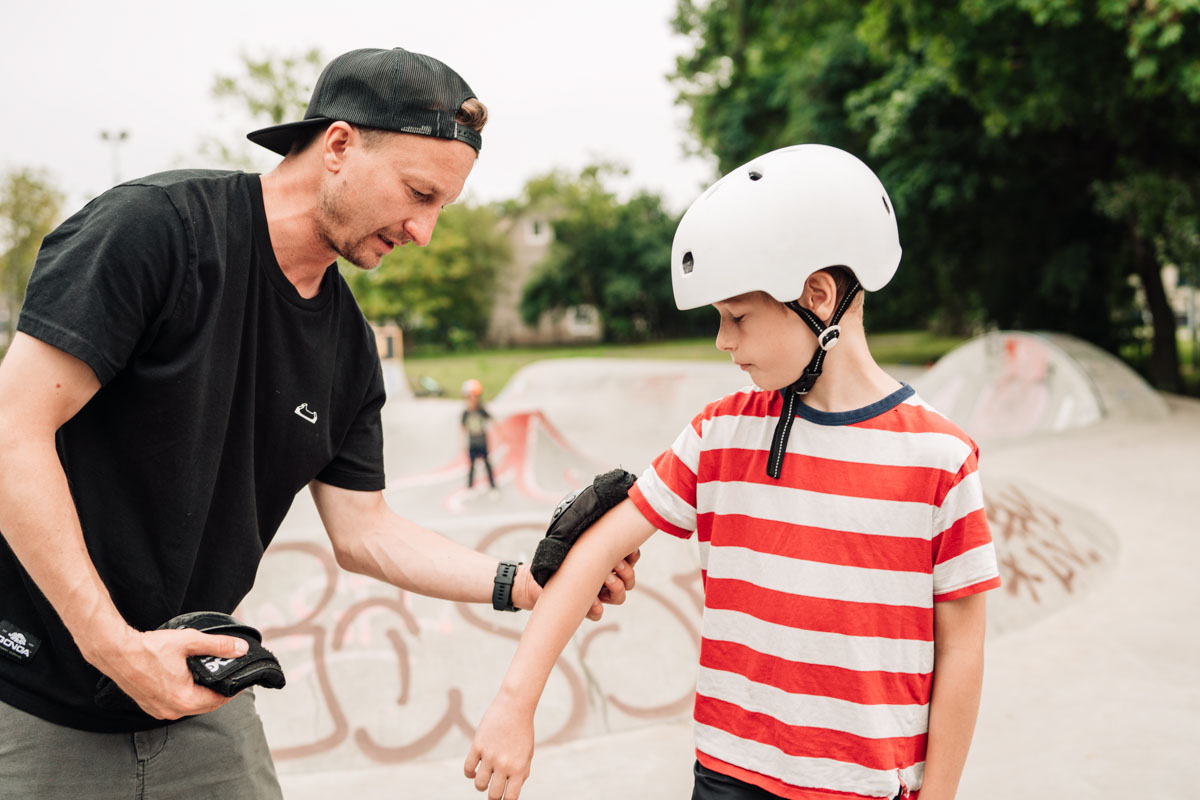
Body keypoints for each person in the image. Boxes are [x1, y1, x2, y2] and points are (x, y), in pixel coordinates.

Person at [0, 46, 636, 799]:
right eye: (418, 193)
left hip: (198, 696)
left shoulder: (349, 349)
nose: (424, 231)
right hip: (33, 695)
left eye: (442, 207)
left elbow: (365, 532)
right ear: (338, 145)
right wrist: (112, 646)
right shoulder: (157, 231)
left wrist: (522, 583)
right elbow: (12, 433)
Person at [464, 144, 1001, 800]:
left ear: (817, 297)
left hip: (865, 785)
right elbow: (597, 546)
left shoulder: (938, 458)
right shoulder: (720, 434)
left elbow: (962, 650)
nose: (722, 340)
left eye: (737, 317)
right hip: (728, 777)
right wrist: (515, 703)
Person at [462, 378, 498, 491]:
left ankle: (492, 484)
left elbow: (492, 419)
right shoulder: (466, 413)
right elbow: (462, 428)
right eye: (470, 398)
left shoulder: (481, 410)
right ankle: (470, 486)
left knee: (487, 463)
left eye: (474, 397)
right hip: (472, 443)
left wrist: (500, 434)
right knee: (472, 466)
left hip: (482, 442)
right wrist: (462, 442)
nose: (472, 400)